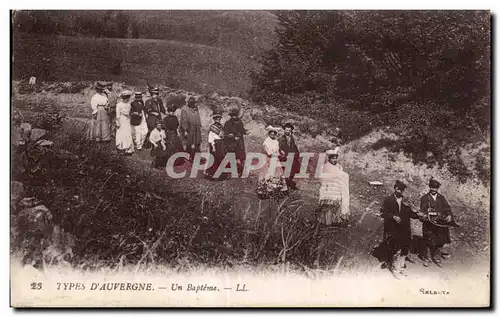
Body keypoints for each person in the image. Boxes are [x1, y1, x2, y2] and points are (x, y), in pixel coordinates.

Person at [380, 180, 423, 279]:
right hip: (393, 228)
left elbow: (410, 213)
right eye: (398, 189)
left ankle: (401, 267)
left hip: (405, 228)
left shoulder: (405, 201)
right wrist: (393, 216)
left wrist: (419, 216)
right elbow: (383, 213)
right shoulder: (389, 200)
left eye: (401, 190)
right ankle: (395, 269)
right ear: (395, 188)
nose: (399, 191)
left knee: (405, 248)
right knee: (396, 248)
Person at [420, 178, 455, 268]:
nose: (433, 190)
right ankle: (426, 258)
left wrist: (449, 215)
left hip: (439, 223)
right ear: (429, 187)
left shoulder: (441, 198)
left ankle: (437, 258)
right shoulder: (424, 198)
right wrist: (423, 216)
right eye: (432, 187)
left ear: (437, 189)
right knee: (428, 241)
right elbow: (422, 211)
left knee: (440, 240)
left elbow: (447, 208)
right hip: (429, 224)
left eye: (435, 188)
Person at [317, 148, 350, 226]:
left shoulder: (339, 167)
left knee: (336, 203)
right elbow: (321, 178)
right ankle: (328, 220)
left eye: (336, 158)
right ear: (329, 159)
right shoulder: (324, 167)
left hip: (337, 187)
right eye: (332, 158)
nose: (334, 160)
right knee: (328, 205)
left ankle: (336, 220)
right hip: (328, 188)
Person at [256, 125, 288, 199]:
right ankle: (267, 191)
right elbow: (269, 153)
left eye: (274, 133)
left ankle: (276, 190)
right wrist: (278, 154)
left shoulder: (276, 141)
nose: (273, 134)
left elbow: (277, 149)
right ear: (269, 133)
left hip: (275, 159)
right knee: (269, 174)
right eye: (271, 132)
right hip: (269, 159)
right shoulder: (266, 141)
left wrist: (281, 152)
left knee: (277, 174)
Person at [223, 106, 247, 177]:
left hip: (239, 142)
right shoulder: (227, 123)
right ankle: (229, 172)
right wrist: (230, 136)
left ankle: (241, 172)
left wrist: (245, 131)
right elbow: (225, 133)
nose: (234, 117)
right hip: (231, 143)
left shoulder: (240, 122)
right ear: (231, 115)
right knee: (231, 157)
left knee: (241, 157)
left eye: (235, 115)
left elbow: (242, 130)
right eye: (233, 115)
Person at [204, 108, 226, 180]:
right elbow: (211, 138)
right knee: (215, 160)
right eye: (216, 118)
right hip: (215, 144)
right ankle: (213, 175)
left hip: (221, 144)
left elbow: (223, 136)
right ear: (214, 119)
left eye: (219, 118)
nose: (218, 119)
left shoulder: (221, 126)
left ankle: (220, 174)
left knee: (221, 159)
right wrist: (213, 146)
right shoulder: (212, 127)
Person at [162, 102, 185, 167]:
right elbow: (163, 127)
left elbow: (177, 126)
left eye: (173, 111)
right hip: (168, 133)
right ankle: (170, 161)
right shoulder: (166, 118)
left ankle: (178, 161)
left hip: (174, 133)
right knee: (170, 147)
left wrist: (178, 133)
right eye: (170, 111)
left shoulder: (175, 118)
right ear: (168, 112)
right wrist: (164, 134)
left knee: (177, 146)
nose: (172, 113)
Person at [279, 122, 301, 190]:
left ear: (291, 131)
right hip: (285, 157)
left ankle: (289, 182)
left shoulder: (292, 138)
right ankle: (285, 185)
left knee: (294, 170)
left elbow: (294, 147)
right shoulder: (281, 139)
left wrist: (297, 154)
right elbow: (279, 148)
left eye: (289, 130)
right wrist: (282, 154)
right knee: (286, 171)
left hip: (292, 157)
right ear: (284, 130)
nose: (288, 131)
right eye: (286, 130)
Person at [179, 96, 202, 160]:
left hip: (196, 128)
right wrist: (185, 130)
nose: (195, 104)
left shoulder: (195, 109)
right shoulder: (184, 109)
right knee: (189, 143)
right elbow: (184, 120)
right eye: (194, 103)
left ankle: (197, 157)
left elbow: (198, 117)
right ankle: (188, 157)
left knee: (197, 142)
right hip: (189, 128)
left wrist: (199, 125)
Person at [115, 90, 134, 155]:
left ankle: (128, 149)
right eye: (125, 98)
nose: (127, 100)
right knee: (121, 133)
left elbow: (129, 113)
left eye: (128, 98)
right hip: (121, 120)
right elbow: (117, 115)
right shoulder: (119, 105)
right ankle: (121, 148)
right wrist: (118, 122)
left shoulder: (129, 105)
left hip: (127, 120)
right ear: (123, 98)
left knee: (127, 133)